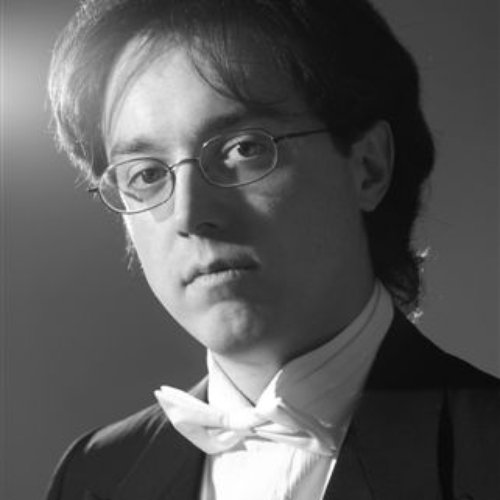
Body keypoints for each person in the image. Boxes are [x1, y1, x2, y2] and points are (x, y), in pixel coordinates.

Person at [46, 0, 499, 499]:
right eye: (147, 174)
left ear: (368, 167)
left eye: (244, 148)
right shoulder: (93, 474)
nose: (189, 214)